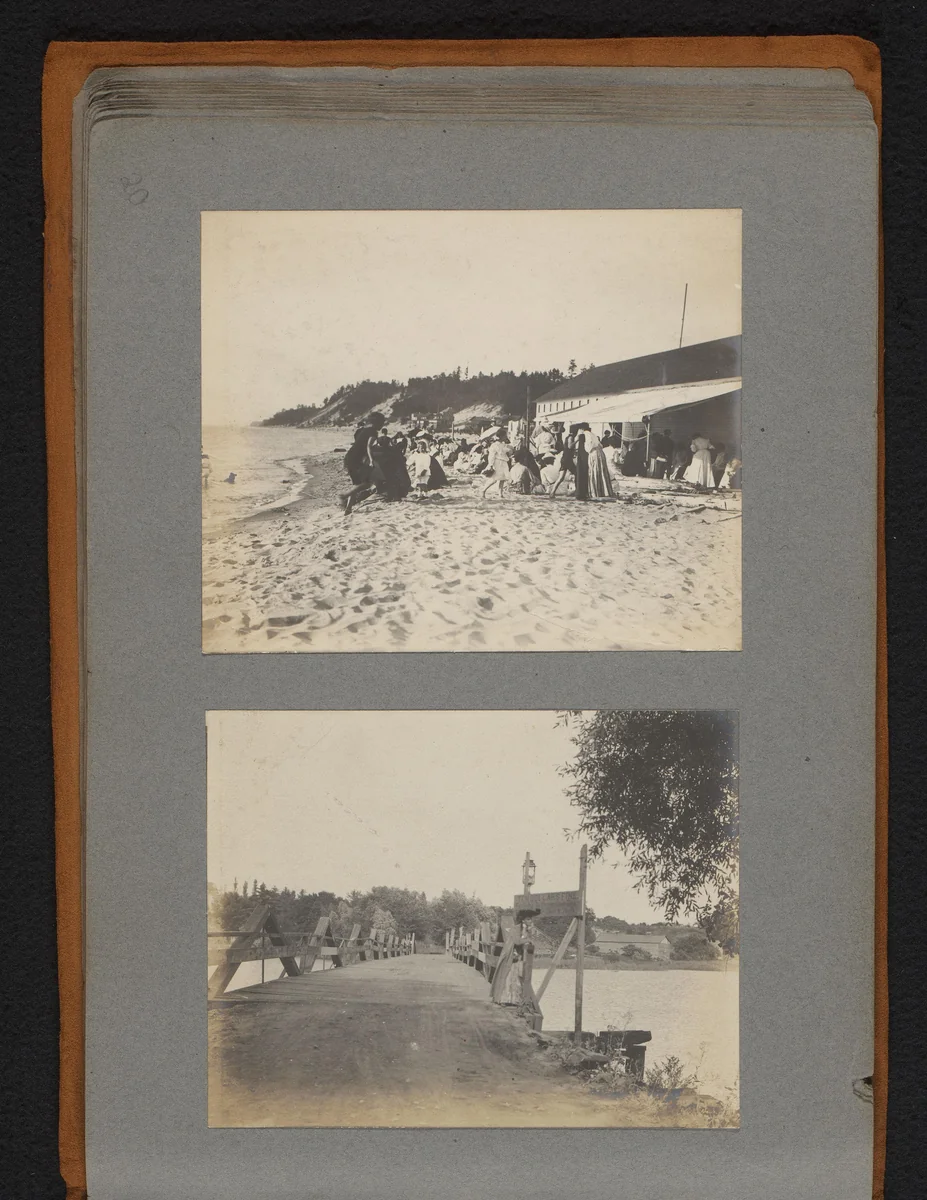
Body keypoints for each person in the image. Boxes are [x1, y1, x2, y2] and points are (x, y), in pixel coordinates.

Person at [340, 411, 386, 514]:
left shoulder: (363, 430)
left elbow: (359, 442)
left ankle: (348, 509)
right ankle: (345, 496)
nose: (382, 425)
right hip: (355, 459)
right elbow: (368, 446)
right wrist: (371, 460)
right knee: (367, 483)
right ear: (377, 423)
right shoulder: (373, 432)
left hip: (349, 457)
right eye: (382, 423)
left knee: (357, 484)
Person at [481, 431, 512, 501]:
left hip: (504, 462)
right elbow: (491, 456)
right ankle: (483, 490)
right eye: (504, 436)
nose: (505, 437)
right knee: (494, 479)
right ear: (501, 437)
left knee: (503, 478)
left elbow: (505, 451)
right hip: (497, 462)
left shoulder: (503, 444)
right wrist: (491, 464)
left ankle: (500, 494)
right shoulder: (494, 445)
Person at [585, 428, 615, 498]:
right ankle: (604, 491)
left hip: (594, 454)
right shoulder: (594, 436)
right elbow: (600, 445)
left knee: (595, 471)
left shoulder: (587, 435)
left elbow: (589, 448)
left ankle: (596, 491)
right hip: (600, 453)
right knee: (601, 471)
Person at [548, 425, 577, 497]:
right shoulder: (571, 437)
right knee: (577, 474)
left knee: (561, 478)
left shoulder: (567, 437)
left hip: (565, 458)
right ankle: (577, 490)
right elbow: (570, 446)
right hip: (568, 459)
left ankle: (552, 492)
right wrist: (577, 440)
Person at [573, 423, 591, 500]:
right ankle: (584, 492)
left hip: (581, 456)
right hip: (586, 456)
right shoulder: (589, 435)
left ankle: (580, 493)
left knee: (580, 474)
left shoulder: (581, 436)